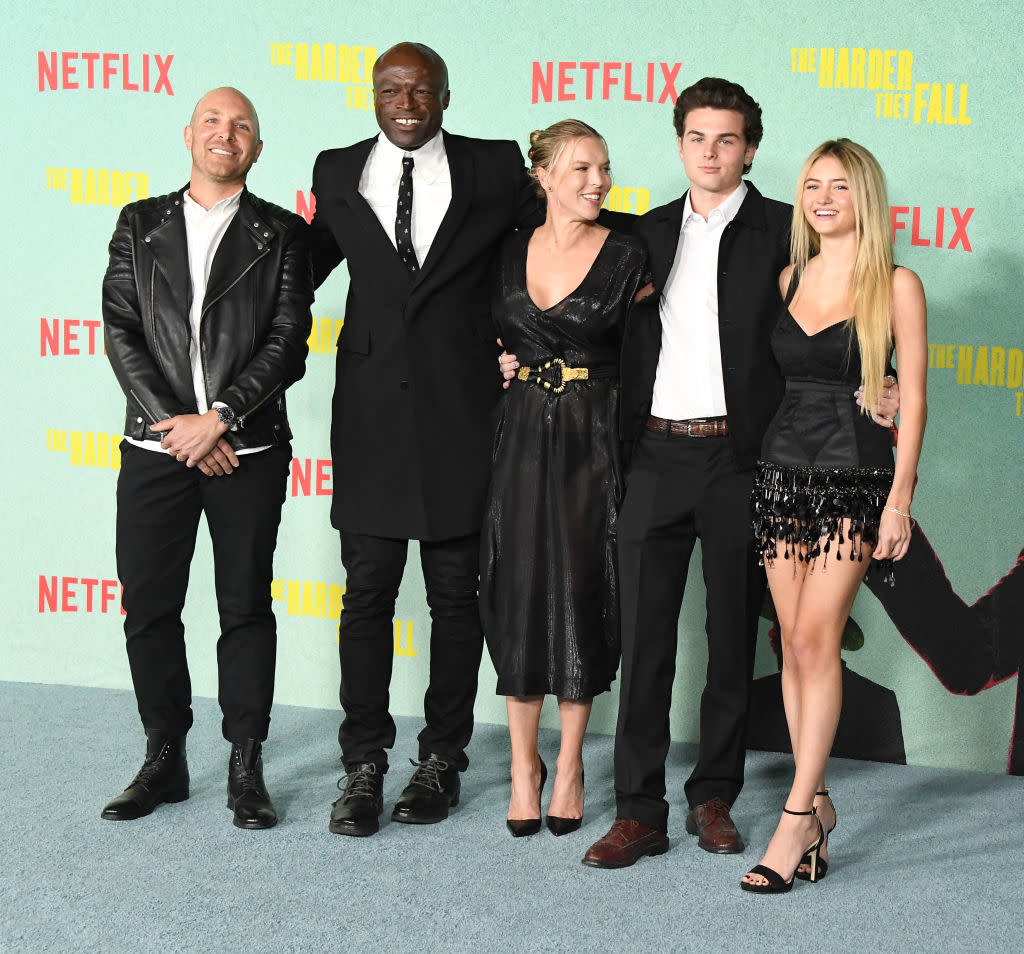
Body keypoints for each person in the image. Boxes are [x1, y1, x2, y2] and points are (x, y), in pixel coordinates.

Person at [568, 79, 902, 869]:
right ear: (679, 143)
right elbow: (571, 302)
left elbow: (861, 302)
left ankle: (712, 795)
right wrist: (519, 353)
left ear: (750, 148)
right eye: (696, 138)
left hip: (743, 460)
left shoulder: (790, 235)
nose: (710, 153)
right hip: (653, 454)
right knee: (645, 638)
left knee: (729, 640)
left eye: (726, 140)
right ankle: (638, 811)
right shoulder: (640, 235)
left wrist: (878, 383)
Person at [308, 42, 537, 837]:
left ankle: (441, 759)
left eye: (422, 90)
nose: (406, 103)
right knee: (366, 594)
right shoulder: (336, 171)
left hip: (462, 415)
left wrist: (527, 341)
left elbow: (546, 259)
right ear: (373, 95)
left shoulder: (498, 167)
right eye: (391, 89)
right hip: (369, 417)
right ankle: (362, 764)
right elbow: (298, 269)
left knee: (453, 598)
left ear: (446, 95)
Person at [99, 87, 313, 829]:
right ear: (189, 134)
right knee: (149, 607)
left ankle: (246, 763)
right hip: (154, 449)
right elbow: (121, 329)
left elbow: (289, 343)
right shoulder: (138, 223)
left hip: (245, 451)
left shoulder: (281, 233)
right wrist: (174, 426)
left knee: (244, 606)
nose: (227, 133)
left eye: (243, 125)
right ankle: (165, 756)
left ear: (258, 148)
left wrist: (219, 419)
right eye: (214, 122)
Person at [741, 138, 927, 892]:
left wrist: (900, 500)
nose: (822, 199)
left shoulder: (897, 284)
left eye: (839, 187)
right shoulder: (788, 276)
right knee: (791, 642)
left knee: (819, 636)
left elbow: (910, 398)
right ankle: (817, 803)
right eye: (812, 185)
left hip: (856, 481)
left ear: (865, 199)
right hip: (780, 475)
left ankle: (793, 820)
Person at [480, 121, 650, 837]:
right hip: (520, 433)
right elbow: (488, 334)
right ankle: (525, 766)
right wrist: (498, 357)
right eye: (581, 168)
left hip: (593, 436)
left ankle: (573, 761)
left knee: (583, 590)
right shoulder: (507, 252)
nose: (598, 181)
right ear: (543, 176)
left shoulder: (631, 255)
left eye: (605, 168)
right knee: (516, 587)